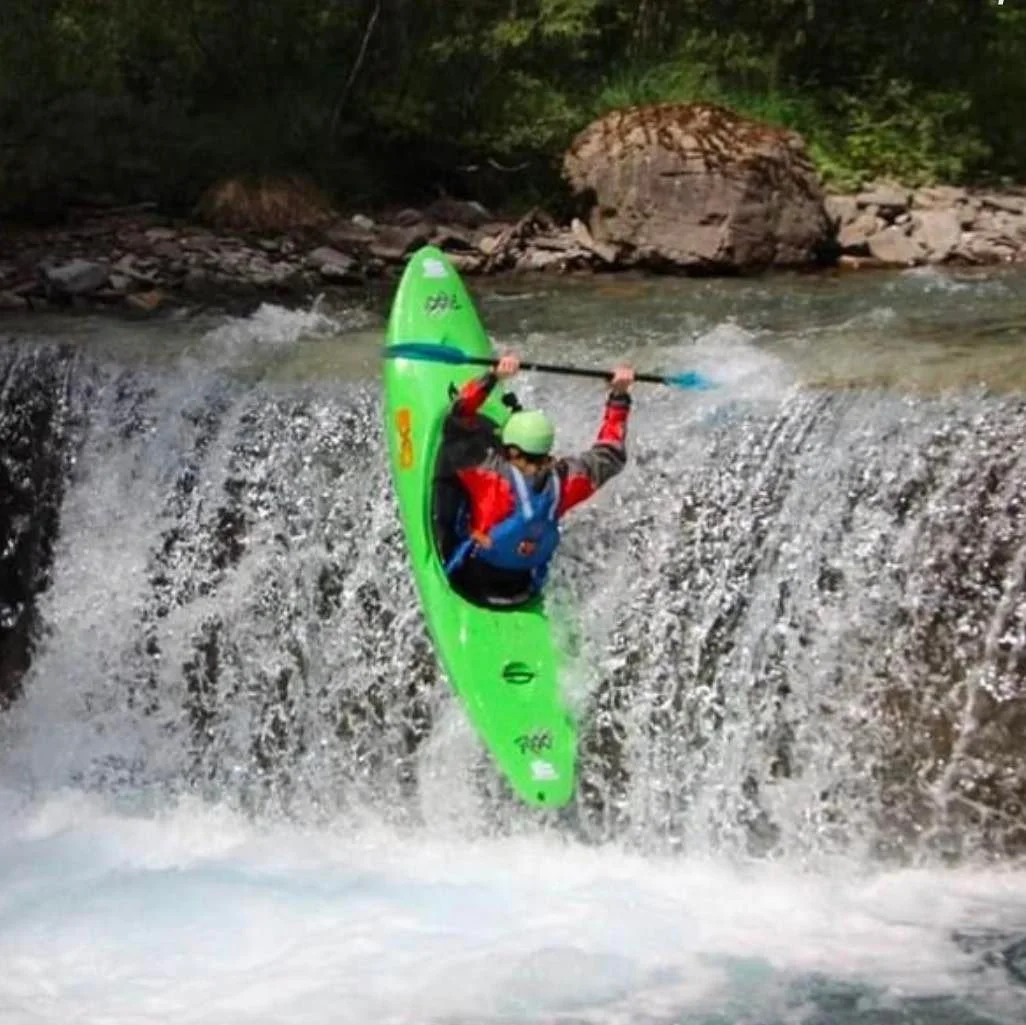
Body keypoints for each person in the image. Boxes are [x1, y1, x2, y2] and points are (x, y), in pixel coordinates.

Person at [435, 353, 635, 607]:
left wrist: (492, 377)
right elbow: (611, 454)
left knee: (456, 480)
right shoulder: (566, 482)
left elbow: (457, 421)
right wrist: (619, 396)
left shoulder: (489, 473)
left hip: (472, 580)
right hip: (521, 586)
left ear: (514, 451)